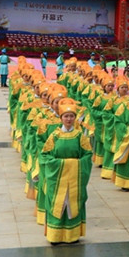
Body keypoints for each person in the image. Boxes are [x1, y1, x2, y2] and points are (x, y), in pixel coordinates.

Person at [39, 98, 93, 243]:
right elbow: (44, 155)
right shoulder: (55, 136)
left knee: (72, 202)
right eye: (66, 116)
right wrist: (61, 164)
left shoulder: (79, 136)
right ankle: (55, 235)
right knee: (57, 203)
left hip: (75, 178)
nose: (69, 119)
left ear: (75, 118)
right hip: (57, 179)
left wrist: (76, 165)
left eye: (71, 116)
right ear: (61, 118)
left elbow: (88, 155)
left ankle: (72, 235)